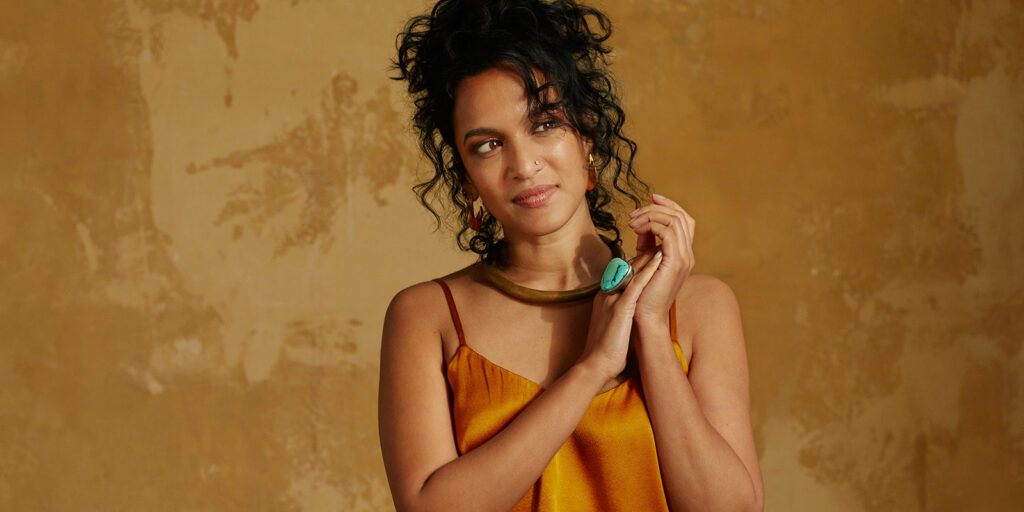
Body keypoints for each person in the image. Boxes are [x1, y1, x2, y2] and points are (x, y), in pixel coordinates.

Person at [378, 1, 764, 510]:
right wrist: (592, 369)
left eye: (543, 125)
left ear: (587, 136)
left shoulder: (699, 306)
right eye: (488, 145)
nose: (523, 164)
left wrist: (647, 325)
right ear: (467, 177)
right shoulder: (427, 317)